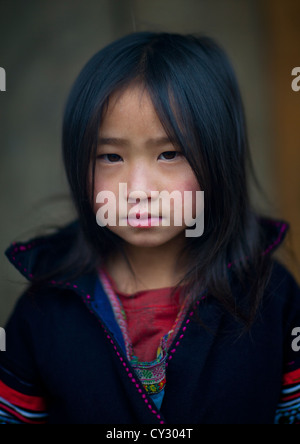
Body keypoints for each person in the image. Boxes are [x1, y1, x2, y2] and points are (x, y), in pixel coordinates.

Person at [0, 32, 300, 425]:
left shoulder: (272, 297)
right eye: (110, 156)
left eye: (170, 153)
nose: (137, 190)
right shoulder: (44, 311)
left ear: (219, 157)